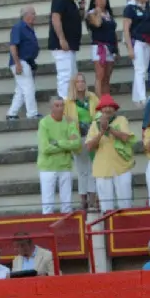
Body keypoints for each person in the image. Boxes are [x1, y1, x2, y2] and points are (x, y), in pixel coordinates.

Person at [85, 94, 136, 212]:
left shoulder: (121, 120)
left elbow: (125, 138)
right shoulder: (94, 124)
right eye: (105, 107)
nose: (108, 109)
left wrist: (109, 129)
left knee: (125, 204)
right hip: (102, 169)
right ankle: (109, 229)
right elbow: (89, 147)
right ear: (100, 110)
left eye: (110, 106)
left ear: (115, 109)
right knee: (106, 207)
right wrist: (101, 132)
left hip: (122, 167)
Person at [37, 97, 80, 214]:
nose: (60, 108)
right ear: (51, 108)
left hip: (65, 165)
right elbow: (45, 148)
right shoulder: (44, 123)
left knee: (67, 204)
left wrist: (58, 143)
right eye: (57, 105)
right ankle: (47, 227)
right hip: (47, 167)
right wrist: (66, 144)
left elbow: (76, 143)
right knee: (47, 204)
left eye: (61, 105)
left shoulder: (69, 122)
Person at [48, 0, 86, 99]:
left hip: (71, 45)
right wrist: (62, 39)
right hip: (62, 45)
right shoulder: (60, 0)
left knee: (72, 75)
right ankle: (64, 101)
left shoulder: (71, 3)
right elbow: (55, 18)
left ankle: (70, 99)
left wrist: (81, 8)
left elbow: (78, 19)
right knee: (65, 75)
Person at [66, 73, 99, 210]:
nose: (81, 84)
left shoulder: (92, 97)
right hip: (78, 137)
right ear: (74, 84)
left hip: (91, 136)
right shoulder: (68, 101)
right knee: (82, 170)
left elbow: (98, 113)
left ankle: (92, 197)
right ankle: (83, 198)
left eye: (83, 81)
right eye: (78, 82)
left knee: (92, 168)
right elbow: (67, 120)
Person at [123, 0, 150, 105]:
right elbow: (126, 29)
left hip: (147, 40)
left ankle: (136, 97)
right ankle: (142, 97)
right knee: (140, 69)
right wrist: (130, 47)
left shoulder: (146, 7)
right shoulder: (130, 8)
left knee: (144, 68)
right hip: (137, 41)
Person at [6, 5, 40, 120]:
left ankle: (12, 113)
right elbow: (13, 46)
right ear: (26, 15)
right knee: (28, 88)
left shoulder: (28, 27)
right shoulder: (19, 27)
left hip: (26, 61)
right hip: (21, 61)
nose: (35, 16)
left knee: (20, 90)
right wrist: (18, 64)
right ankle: (32, 113)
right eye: (33, 14)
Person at [86, 0, 118, 97]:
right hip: (99, 47)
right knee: (100, 75)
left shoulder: (109, 14)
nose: (100, 1)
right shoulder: (91, 13)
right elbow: (98, 24)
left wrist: (116, 49)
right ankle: (99, 101)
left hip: (110, 46)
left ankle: (106, 98)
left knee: (107, 77)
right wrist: (98, 12)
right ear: (94, 1)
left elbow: (113, 32)